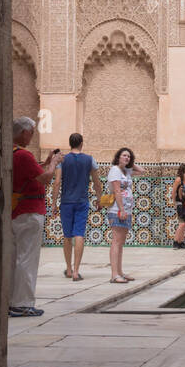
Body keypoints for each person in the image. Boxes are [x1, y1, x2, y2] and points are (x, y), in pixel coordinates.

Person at [9, 117, 61, 317]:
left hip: (16, 211)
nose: (32, 136)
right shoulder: (24, 155)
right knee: (27, 259)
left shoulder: (12, 153)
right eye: (31, 132)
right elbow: (45, 179)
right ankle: (22, 304)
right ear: (23, 132)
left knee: (15, 258)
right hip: (29, 211)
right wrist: (54, 164)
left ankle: (12, 301)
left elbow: (32, 173)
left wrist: (46, 162)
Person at [49, 132, 102, 280]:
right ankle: (77, 271)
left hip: (66, 202)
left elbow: (57, 182)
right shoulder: (90, 160)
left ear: (70, 143)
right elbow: (97, 182)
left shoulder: (62, 160)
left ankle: (69, 269)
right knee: (79, 234)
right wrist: (99, 199)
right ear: (81, 143)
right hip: (82, 201)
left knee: (67, 235)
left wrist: (53, 202)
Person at [106, 147, 145, 284]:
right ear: (118, 157)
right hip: (117, 210)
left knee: (121, 243)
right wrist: (121, 209)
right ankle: (114, 274)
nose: (126, 158)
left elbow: (142, 171)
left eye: (128, 156)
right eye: (124, 155)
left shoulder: (126, 171)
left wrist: (130, 162)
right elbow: (117, 191)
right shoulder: (115, 170)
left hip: (127, 210)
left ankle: (120, 272)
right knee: (116, 241)